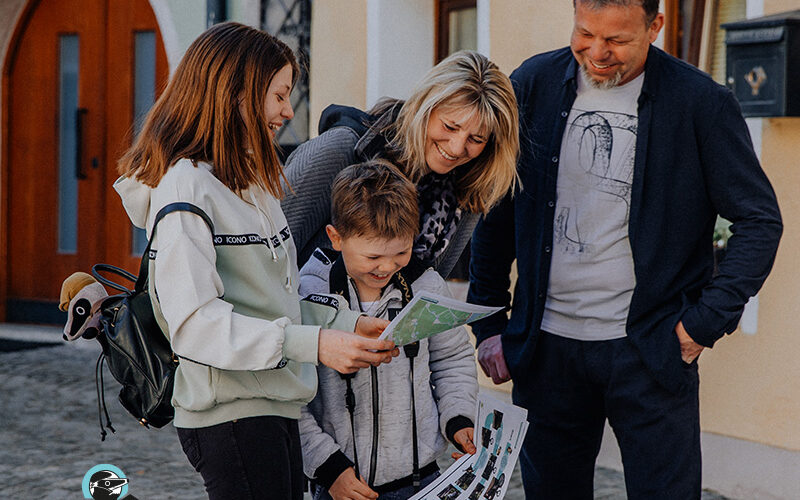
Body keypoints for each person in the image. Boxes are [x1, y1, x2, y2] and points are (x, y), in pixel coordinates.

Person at [467, 1, 783, 499]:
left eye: (616, 41)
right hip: (546, 352)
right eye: (585, 33)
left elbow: (759, 220)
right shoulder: (532, 83)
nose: (596, 52)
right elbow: (496, 207)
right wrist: (488, 324)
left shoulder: (700, 102)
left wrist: (702, 324)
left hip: (652, 352)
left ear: (655, 26)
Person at [113, 22, 397, 500]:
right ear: (237, 92)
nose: (288, 111)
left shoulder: (251, 184)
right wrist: (317, 343)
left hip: (274, 404)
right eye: (279, 95)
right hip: (231, 417)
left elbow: (270, 303)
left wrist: (346, 324)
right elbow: (197, 325)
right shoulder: (186, 188)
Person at [298, 160, 479, 500]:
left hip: (423, 479)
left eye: (401, 252)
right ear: (336, 238)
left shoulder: (426, 286)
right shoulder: (308, 296)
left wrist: (459, 420)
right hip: (341, 483)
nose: (386, 267)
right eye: (373, 257)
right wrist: (327, 465)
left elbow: (452, 359)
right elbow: (291, 395)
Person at [281, 50, 519, 279]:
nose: (457, 148)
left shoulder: (467, 189)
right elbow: (268, 254)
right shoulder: (339, 150)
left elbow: (431, 283)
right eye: (450, 127)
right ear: (425, 107)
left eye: (476, 139)